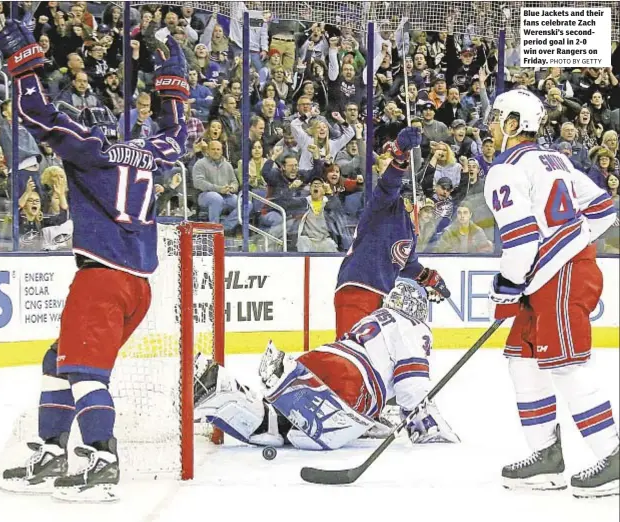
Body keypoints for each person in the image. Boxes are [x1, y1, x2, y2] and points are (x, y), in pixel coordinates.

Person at [0, 21, 189, 502]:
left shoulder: (92, 150)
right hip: (138, 283)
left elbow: (35, 111)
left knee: (83, 369)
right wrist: (172, 79)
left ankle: (103, 460)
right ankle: (51, 450)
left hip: (102, 276)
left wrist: (24, 62)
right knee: (56, 359)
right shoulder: (151, 152)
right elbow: (179, 132)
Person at [484, 89, 619, 498]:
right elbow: (603, 208)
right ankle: (545, 456)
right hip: (549, 278)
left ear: (511, 124)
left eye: (495, 118)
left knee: (565, 365)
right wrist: (567, 244)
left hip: (558, 279)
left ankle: (612, 456)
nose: (489, 124)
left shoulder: (504, 169)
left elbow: (523, 242)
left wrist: (508, 285)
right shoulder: (554, 159)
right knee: (522, 359)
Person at [194, 282, 459, 451]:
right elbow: (410, 385)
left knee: (275, 427)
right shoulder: (415, 327)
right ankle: (314, 423)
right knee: (315, 432)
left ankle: (222, 388)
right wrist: (425, 423)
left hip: (317, 360)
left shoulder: (376, 316)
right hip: (352, 382)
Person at [334, 127, 451, 339]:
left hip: (380, 297)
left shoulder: (409, 227)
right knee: (350, 355)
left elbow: (407, 263)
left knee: (374, 359)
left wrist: (429, 278)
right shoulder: (382, 206)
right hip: (358, 288)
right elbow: (389, 185)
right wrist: (399, 153)